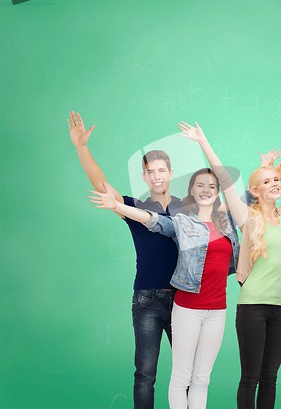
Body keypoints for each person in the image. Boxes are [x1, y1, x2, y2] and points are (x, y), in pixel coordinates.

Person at [176, 114, 281, 409]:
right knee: (250, 378)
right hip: (252, 307)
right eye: (267, 181)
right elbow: (223, 178)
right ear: (256, 190)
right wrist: (202, 141)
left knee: (270, 378)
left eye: (276, 179)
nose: (274, 184)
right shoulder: (247, 216)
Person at [89, 167, 240, 409]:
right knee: (177, 377)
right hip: (187, 307)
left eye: (212, 186)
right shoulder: (182, 221)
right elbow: (152, 220)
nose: (206, 190)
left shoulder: (227, 222)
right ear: (190, 191)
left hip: (217, 310)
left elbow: (253, 196)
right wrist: (117, 206)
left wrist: (273, 168)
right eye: (200, 185)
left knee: (201, 379)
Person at [67, 111, 182, 409]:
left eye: (161, 170)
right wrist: (82, 148)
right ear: (144, 177)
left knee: (187, 373)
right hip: (147, 299)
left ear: (170, 173)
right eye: (151, 172)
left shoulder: (187, 209)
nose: (157, 176)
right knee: (145, 373)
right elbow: (102, 184)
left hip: (183, 300)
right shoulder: (134, 207)